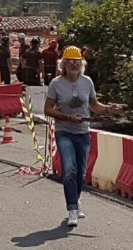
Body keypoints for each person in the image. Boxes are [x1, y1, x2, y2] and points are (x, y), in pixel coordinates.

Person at [44, 46, 126, 228]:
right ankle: (72, 208)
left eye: (77, 62)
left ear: (82, 64)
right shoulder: (56, 84)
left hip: (82, 132)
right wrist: (67, 117)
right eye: (70, 62)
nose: (73, 66)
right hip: (64, 131)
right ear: (63, 65)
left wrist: (108, 109)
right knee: (69, 169)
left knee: (81, 173)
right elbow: (47, 109)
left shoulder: (87, 82)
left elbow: (94, 106)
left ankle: (76, 199)